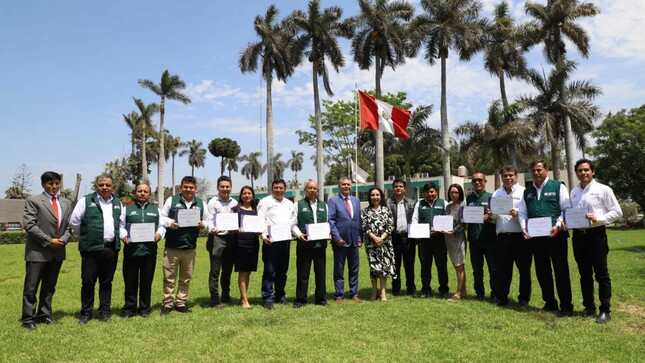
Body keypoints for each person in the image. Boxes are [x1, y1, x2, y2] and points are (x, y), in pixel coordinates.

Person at [570, 158, 623, 323]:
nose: (583, 173)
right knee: (584, 273)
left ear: (593, 172)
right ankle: (589, 307)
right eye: (580, 170)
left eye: (586, 170)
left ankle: (605, 310)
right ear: (576, 173)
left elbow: (617, 212)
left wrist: (598, 219)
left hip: (596, 235)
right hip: (578, 236)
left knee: (601, 274)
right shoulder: (574, 192)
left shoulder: (603, 189)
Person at [519, 160, 573, 316]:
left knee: (560, 270)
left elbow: (566, 209)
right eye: (534, 170)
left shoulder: (558, 187)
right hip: (536, 238)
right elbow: (523, 213)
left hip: (556, 236)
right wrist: (524, 228)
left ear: (546, 170)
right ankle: (550, 302)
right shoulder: (527, 191)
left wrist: (558, 225)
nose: (536, 173)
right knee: (542, 271)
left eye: (539, 170)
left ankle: (566, 305)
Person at [70, 174, 125, 324]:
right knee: (88, 281)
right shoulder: (85, 201)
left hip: (110, 249)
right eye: (101, 185)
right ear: (96, 186)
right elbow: (74, 222)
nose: (105, 187)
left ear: (112, 186)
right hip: (90, 249)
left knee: (107, 282)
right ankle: (86, 313)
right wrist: (88, 235)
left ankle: (104, 312)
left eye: (108, 185)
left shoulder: (118, 203)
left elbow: (120, 224)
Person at [21, 171, 72, 330]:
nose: (54, 186)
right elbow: (30, 225)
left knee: (49, 287)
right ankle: (28, 319)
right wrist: (49, 241)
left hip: (57, 252)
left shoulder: (66, 203)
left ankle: (44, 315)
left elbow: (70, 226)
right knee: (31, 287)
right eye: (50, 183)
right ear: (43, 184)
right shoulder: (33, 200)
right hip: (38, 252)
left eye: (57, 183)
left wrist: (63, 240)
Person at [119, 183, 168, 318]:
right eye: (140, 191)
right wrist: (123, 235)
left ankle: (145, 309)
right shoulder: (126, 209)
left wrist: (159, 234)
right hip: (131, 251)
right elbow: (121, 225)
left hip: (149, 252)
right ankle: (129, 309)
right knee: (130, 282)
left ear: (149, 194)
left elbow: (162, 226)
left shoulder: (156, 210)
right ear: (135, 193)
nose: (142, 193)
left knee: (146, 282)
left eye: (145, 191)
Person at [160, 176, 206, 315]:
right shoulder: (172, 200)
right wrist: (170, 223)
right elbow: (161, 217)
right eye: (185, 187)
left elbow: (208, 220)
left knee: (185, 278)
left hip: (190, 248)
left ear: (195, 189)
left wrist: (204, 225)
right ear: (181, 188)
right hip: (172, 247)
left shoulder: (201, 203)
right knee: (169, 278)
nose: (188, 190)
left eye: (191, 187)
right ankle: (167, 304)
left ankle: (181, 303)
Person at [491, 166, 531, 307]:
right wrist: (491, 214)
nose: (508, 178)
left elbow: (529, 211)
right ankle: (502, 299)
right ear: (501, 177)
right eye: (505, 175)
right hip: (502, 237)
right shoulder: (497, 193)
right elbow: (495, 217)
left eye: (511, 175)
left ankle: (524, 299)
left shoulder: (524, 192)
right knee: (503, 270)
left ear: (516, 177)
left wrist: (518, 212)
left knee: (524, 270)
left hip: (520, 236)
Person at [257, 179, 297, 310]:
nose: (278, 190)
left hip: (285, 241)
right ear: (272, 188)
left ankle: (280, 296)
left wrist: (292, 233)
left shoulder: (290, 204)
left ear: (285, 189)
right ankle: (267, 298)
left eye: (281, 188)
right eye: (276, 188)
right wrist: (264, 236)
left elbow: (292, 222)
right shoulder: (265, 202)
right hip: (270, 242)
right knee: (269, 271)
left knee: (282, 271)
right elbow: (261, 220)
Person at [292, 180, 329, 308]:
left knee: (320, 273)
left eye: (314, 188)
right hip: (304, 245)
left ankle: (321, 299)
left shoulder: (325, 205)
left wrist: (328, 233)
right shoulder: (298, 205)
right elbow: (293, 224)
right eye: (309, 188)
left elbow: (328, 223)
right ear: (305, 190)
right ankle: (301, 299)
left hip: (320, 246)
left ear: (318, 190)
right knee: (303, 274)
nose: (312, 190)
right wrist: (299, 235)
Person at [204, 175, 237, 308]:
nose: (225, 189)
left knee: (227, 270)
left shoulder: (235, 203)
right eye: (222, 186)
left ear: (231, 187)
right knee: (215, 270)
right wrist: (212, 229)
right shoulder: (213, 202)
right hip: (217, 238)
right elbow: (209, 220)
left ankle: (226, 295)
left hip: (231, 238)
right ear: (218, 187)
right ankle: (215, 299)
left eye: (227, 186)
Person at [328, 177, 363, 303]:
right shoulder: (333, 201)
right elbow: (331, 221)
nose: (346, 186)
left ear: (351, 186)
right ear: (339, 186)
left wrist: (359, 238)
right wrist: (337, 238)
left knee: (354, 269)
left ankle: (354, 293)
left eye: (348, 184)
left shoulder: (356, 200)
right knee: (339, 269)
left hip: (354, 241)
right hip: (340, 242)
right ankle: (339, 295)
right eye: (344, 184)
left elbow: (358, 220)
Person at [411, 182, 449, 298]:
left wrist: (442, 229)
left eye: (432, 191)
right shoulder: (419, 204)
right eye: (427, 192)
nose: (429, 194)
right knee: (425, 266)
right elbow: (414, 220)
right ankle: (426, 290)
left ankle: (443, 290)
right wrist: (417, 233)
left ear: (436, 192)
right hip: (424, 241)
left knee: (441, 266)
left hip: (440, 240)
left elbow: (449, 220)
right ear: (424, 193)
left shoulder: (444, 203)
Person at [466, 172, 498, 302]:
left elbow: (498, 218)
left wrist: (490, 217)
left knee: (493, 268)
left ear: (485, 181)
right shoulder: (469, 199)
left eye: (480, 180)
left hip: (490, 239)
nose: (477, 182)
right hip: (474, 240)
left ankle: (494, 293)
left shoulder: (491, 197)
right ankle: (479, 293)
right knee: (477, 269)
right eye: (474, 181)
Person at [361, 187, 396, 301]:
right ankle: (374, 292)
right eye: (372, 195)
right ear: (370, 197)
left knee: (384, 267)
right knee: (374, 268)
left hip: (385, 244)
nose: (375, 197)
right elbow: (364, 226)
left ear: (381, 196)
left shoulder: (387, 210)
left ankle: (383, 293)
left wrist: (381, 238)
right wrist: (374, 238)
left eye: (377, 195)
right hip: (371, 244)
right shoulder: (365, 211)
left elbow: (390, 226)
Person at [385, 178, 417, 296]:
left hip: (409, 238)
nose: (398, 188)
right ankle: (396, 289)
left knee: (409, 265)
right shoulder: (388, 203)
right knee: (395, 265)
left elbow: (415, 220)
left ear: (404, 188)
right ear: (393, 188)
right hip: (394, 238)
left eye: (400, 186)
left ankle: (411, 289)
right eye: (396, 186)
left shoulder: (412, 203)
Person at [232, 186, 261, 309]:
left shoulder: (257, 210)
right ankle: (244, 301)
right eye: (244, 193)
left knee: (248, 272)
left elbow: (261, 224)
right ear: (241, 195)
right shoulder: (235, 210)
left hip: (253, 243)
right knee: (243, 272)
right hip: (240, 243)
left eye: (249, 193)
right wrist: (236, 229)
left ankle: (242, 297)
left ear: (253, 195)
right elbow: (230, 226)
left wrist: (261, 231)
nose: (247, 195)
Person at [442, 183, 467, 301]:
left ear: (460, 193)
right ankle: (464, 291)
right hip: (448, 239)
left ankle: (458, 293)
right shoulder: (448, 207)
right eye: (452, 192)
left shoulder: (463, 206)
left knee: (459, 266)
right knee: (458, 265)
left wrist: (453, 232)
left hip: (458, 239)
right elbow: (445, 221)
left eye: (456, 192)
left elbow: (463, 223)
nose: (454, 194)